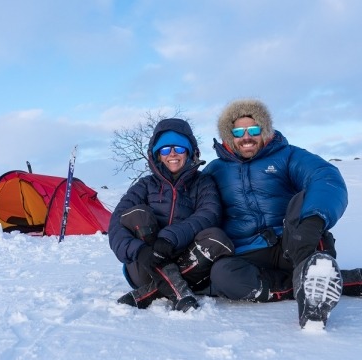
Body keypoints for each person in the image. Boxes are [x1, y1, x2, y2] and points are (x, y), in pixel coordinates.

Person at [203, 98, 362, 328]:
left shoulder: (287, 156)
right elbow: (196, 206)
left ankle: (312, 303)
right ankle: (312, 282)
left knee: (303, 206)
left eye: (254, 129)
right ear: (230, 135)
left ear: (264, 130)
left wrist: (312, 220)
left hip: (295, 242)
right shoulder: (215, 170)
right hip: (249, 252)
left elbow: (325, 177)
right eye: (239, 131)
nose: (247, 137)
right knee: (222, 275)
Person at [109, 118, 234, 312]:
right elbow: (116, 223)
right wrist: (140, 251)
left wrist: (170, 238)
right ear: (158, 155)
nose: (172, 154)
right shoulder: (144, 185)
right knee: (136, 215)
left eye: (179, 148)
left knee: (217, 238)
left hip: (190, 264)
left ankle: (150, 293)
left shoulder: (203, 183)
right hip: (145, 266)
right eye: (165, 150)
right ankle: (176, 290)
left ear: (189, 152)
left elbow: (209, 214)